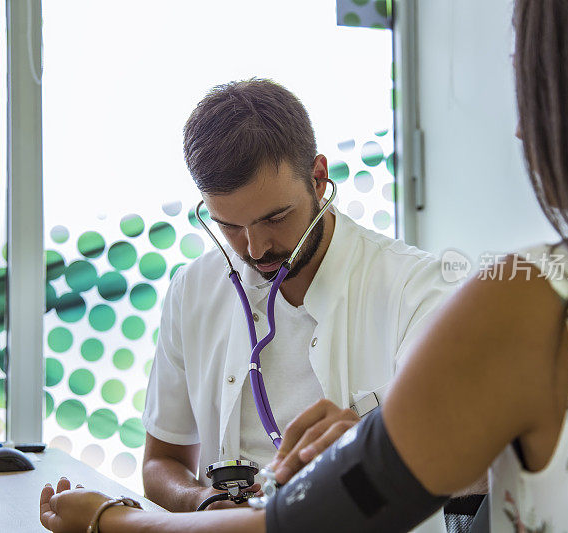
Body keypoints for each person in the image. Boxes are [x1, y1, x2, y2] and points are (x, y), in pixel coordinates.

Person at [40, 0, 568, 531]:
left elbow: (310, 522)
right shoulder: (194, 290)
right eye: (231, 226)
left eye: (530, 84)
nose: (524, 130)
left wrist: (105, 518)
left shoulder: (525, 299)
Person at [140, 78, 454, 513]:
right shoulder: (192, 290)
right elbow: (162, 462)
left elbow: (472, 462)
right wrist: (208, 504)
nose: (255, 249)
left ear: (319, 178)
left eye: (276, 217)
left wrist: (372, 448)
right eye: (230, 225)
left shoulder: (416, 288)